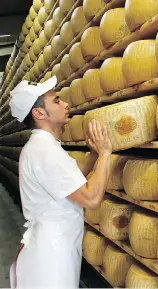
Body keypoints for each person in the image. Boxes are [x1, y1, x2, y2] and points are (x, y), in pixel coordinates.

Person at [9, 76, 112, 289]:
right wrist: (105, 153)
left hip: (50, 245)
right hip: (52, 255)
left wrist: (92, 155)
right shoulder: (45, 152)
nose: (65, 104)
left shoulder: (42, 147)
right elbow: (91, 198)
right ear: (39, 114)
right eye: (56, 101)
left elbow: (67, 181)